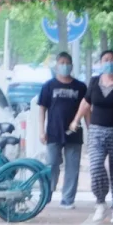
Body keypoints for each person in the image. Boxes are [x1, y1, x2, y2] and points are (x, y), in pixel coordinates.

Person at [68, 48, 113, 224]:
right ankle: (100, 202)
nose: (109, 62)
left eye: (112, 59)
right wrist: (76, 120)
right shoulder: (94, 82)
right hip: (97, 131)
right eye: (105, 59)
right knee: (97, 166)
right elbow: (85, 103)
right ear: (100, 63)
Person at [37, 52, 86, 208]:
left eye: (67, 62)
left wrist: (92, 130)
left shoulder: (80, 87)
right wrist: (41, 130)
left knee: (73, 167)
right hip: (53, 131)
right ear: (57, 65)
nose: (65, 65)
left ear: (71, 65)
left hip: (74, 132)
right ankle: (48, 194)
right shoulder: (48, 86)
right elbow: (42, 109)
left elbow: (86, 109)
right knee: (52, 164)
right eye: (62, 62)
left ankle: (68, 199)